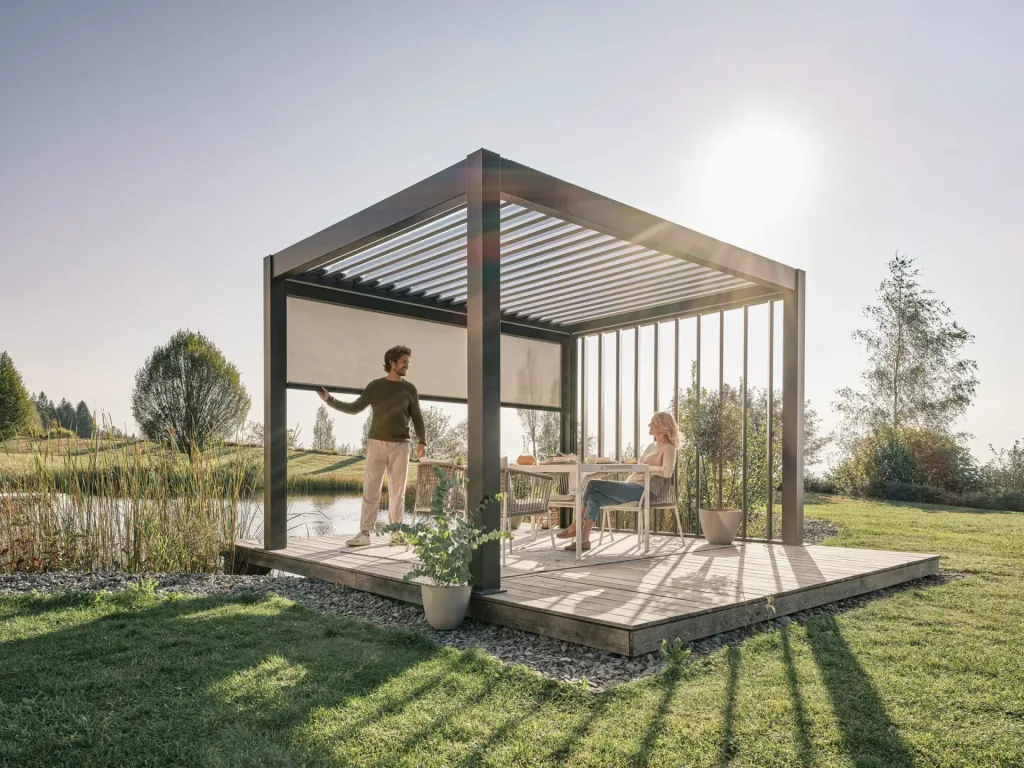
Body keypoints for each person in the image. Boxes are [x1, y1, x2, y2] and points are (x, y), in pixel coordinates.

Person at [318, 345, 426, 547]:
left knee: (397, 492)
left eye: (407, 363)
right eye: (403, 362)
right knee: (371, 489)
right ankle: (364, 534)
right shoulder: (375, 387)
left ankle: (397, 533)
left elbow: (417, 418)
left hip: (401, 445)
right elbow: (354, 408)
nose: (406, 366)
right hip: (376, 443)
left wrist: (422, 441)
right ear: (392, 363)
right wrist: (329, 400)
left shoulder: (409, 389)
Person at [557, 411, 679, 551]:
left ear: (661, 425)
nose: (649, 425)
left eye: (652, 422)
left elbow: (667, 471)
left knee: (592, 484)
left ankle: (575, 526)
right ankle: (584, 540)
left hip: (643, 490)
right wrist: (637, 465)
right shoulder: (651, 446)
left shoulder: (669, 448)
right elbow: (641, 466)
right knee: (594, 497)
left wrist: (645, 467)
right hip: (631, 485)